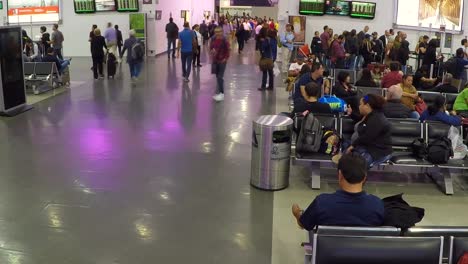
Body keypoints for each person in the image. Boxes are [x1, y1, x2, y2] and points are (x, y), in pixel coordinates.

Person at [291, 153, 384, 231]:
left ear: (340, 175)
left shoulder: (322, 203)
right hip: (364, 252)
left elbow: (304, 224)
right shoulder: (377, 205)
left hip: (329, 252)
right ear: (364, 177)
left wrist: (297, 213)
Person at [340, 94, 393, 168]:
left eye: (361, 104)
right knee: (345, 146)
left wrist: (352, 146)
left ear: (367, 105)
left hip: (378, 152)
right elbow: (360, 120)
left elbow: (367, 137)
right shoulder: (370, 115)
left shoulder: (377, 119)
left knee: (358, 165)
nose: (359, 107)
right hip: (367, 147)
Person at [210, 27, 231, 102]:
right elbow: (211, 47)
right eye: (216, 32)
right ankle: (219, 93)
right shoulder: (213, 39)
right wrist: (212, 51)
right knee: (217, 76)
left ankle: (222, 93)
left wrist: (225, 58)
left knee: (220, 76)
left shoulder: (224, 40)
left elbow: (228, 50)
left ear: (222, 32)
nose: (217, 33)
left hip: (222, 60)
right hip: (215, 60)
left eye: (219, 32)